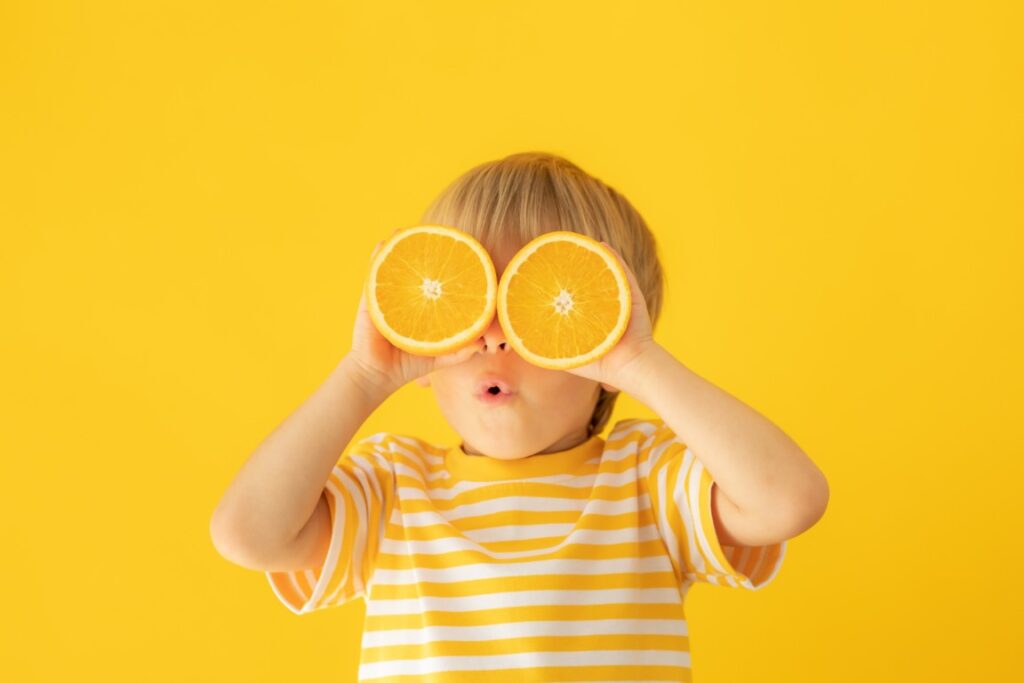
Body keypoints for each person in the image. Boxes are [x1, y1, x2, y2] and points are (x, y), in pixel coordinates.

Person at [210, 151, 829, 681]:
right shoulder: (392, 489)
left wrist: (641, 362)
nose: (494, 338)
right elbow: (247, 535)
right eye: (466, 303)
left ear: (602, 335)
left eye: (539, 309)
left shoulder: (648, 480)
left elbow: (790, 501)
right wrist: (364, 376)